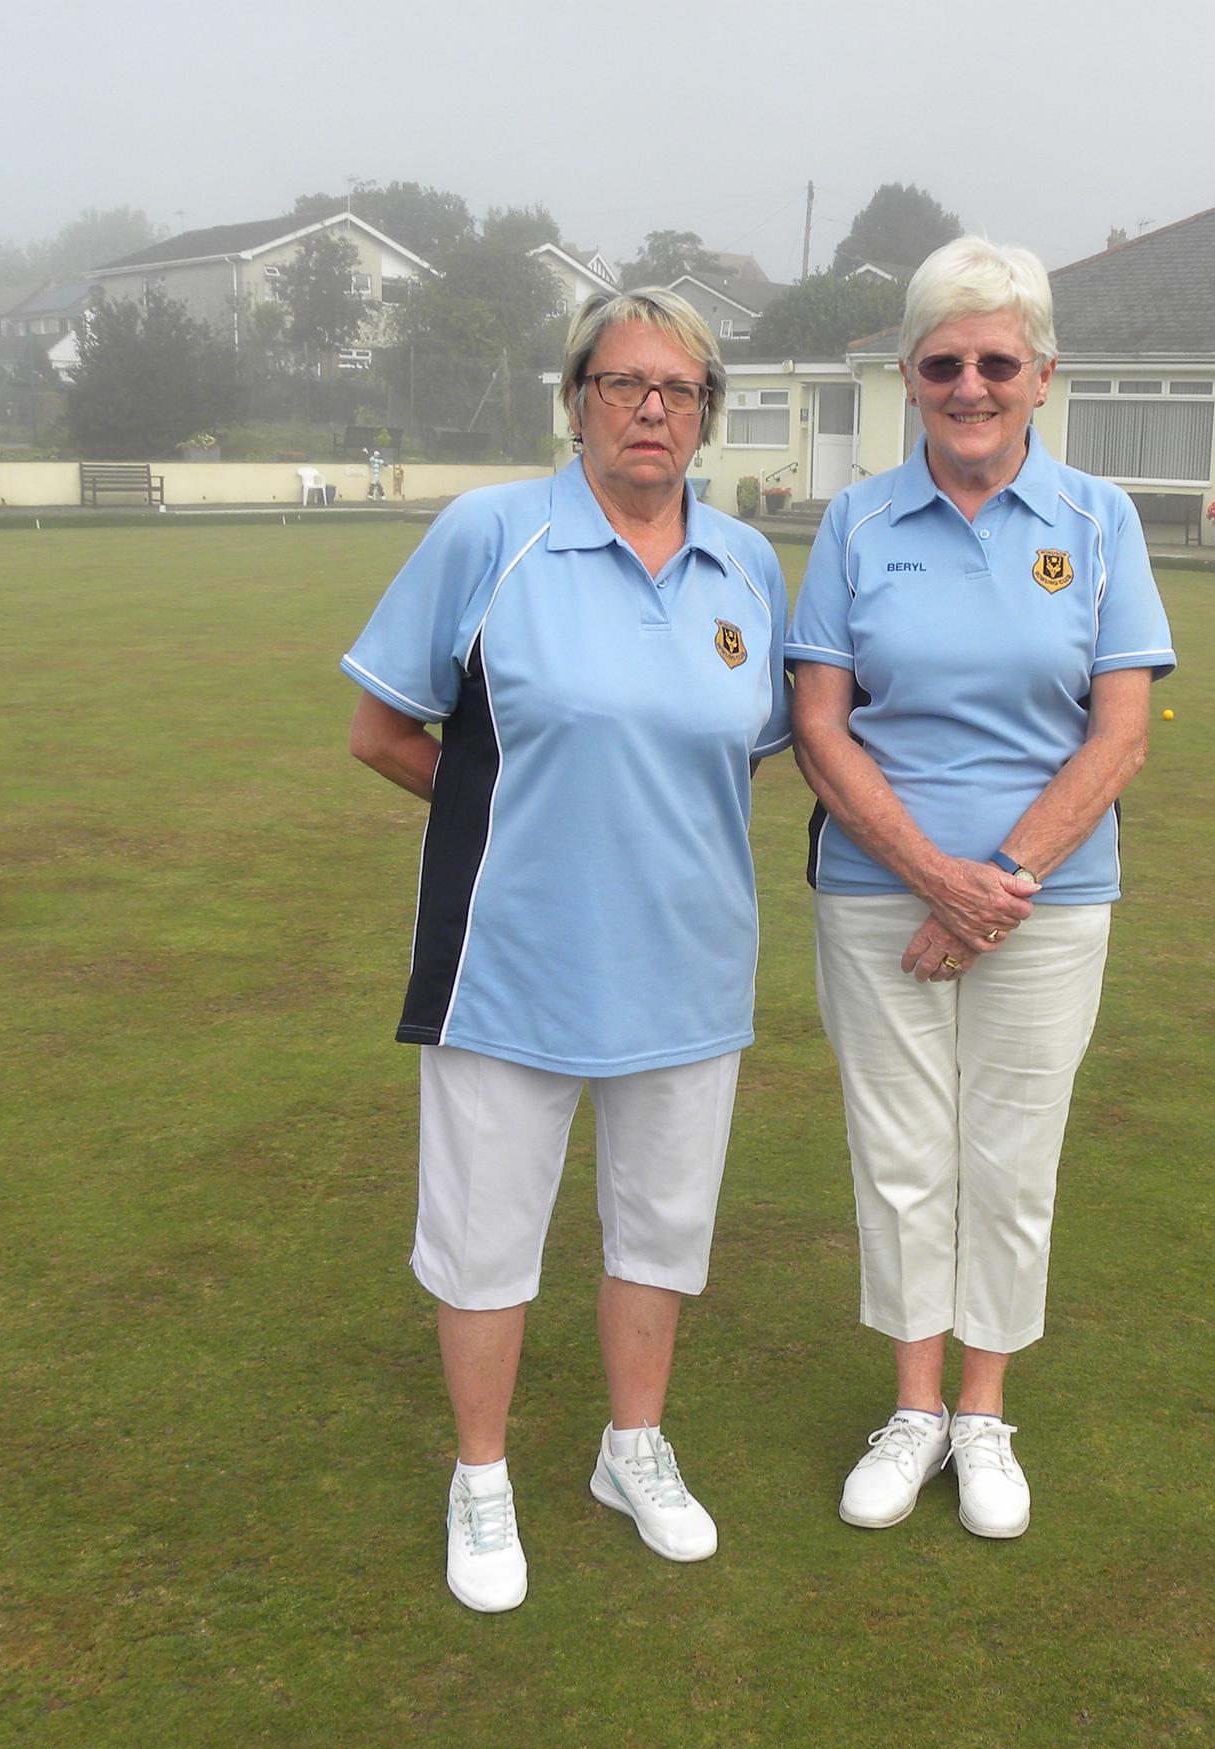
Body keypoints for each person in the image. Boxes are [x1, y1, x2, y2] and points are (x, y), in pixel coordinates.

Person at [341, 288, 792, 1614]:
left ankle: (630, 1450)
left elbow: (738, 754)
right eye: (623, 382)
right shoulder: (494, 535)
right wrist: (514, 816)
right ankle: (480, 1478)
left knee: (660, 1232)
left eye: (680, 388)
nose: (651, 407)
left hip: (688, 969)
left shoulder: (749, 568)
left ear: (706, 414)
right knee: (485, 1244)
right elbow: (381, 732)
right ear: (576, 396)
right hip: (512, 964)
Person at [787, 237, 1175, 1540]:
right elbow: (822, 723)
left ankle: (986, 1414)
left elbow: (1118, 734)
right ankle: (913, 1409)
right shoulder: (857, 521)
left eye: (996, 362)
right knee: (901, 1160)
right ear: (909, 376)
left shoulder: (1098, 521)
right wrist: (931, 879)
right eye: (944, 362)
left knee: (1011, 1164)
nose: (970, 385)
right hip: (875, 891)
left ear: (1042, 376)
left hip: (1047, 902)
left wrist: (999, 883)